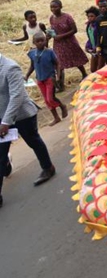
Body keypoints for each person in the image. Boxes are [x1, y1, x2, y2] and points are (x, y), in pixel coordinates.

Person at [0, 52, 58, 209]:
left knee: (33, 141)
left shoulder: (10, 68)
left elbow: (16, 97)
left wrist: (6, 121)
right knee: (1, 152)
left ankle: (48, 168)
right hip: (2, 117)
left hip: (21, 115)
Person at [25, 33, 67, 126]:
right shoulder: (32, 53)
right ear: (34, 42)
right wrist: (27, 75)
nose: (40, 43)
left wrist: (58, 75)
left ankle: (62, 106)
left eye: (42, 40)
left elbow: (57, 63)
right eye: (38, 41)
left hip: (49, 78)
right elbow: (32, 65)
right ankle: (56, 117)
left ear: (45, 40)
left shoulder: (49, 52)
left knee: (50, 98)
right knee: (47, 100)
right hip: (40, 79)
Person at [49, 0, 89, 90]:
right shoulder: (52, 18)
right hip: (58, 44)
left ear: (61, 7)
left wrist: (61, 36)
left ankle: (84, 74)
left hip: (69, 42)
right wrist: (50, 34)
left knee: (76, 59)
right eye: (51, 7)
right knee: (59, 63)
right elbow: (53, 29)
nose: (53, 9)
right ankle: (60, 84)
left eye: (55, 7)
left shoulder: (67, 17)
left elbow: (74, 30)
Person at [84, 6, 103, 73]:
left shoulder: (99, 25)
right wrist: (87, 46)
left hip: (101, 50)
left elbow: (100, 38)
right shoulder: (89, 26)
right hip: (93, 50)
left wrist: (97, 47)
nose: (90, 18)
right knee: (92, 69)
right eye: (88, 16)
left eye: (92, 16)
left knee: (99, 69)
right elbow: (90, 38)